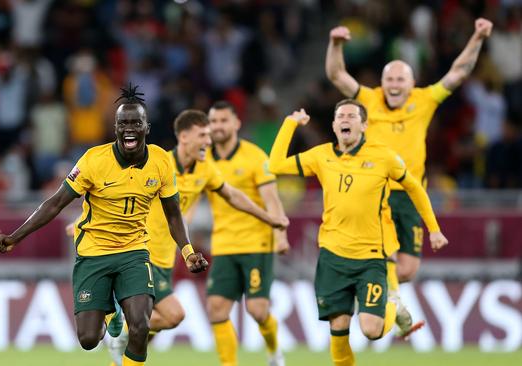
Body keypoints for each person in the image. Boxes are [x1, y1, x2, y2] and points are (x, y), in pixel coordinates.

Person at [0, 84, 208, 366]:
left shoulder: (161, 162)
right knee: (88, 339)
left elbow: (174, 214)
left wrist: (188, 251)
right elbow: (55, 203)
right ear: (115, 127)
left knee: (141, 326)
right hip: (94, 254)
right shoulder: (93, 160)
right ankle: (112, 313)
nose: (129, 129)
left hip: (135, 252)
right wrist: (15, 237)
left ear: (147, 127)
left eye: (136, 123)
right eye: (122, 123)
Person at [325, 17, 492, 336]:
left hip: (412, 194)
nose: (395, 85)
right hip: (375, 192)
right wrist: (335, 44)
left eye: (401, 79)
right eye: (390, 79)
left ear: (411, 82)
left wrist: (478, 37)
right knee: (383, 251)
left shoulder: (424, 99)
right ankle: (386, 301)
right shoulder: (368, 99)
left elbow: (459, 72)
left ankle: (371, 286)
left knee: (408, 269)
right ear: (383, 82)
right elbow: (336, 74)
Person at [101, 109, 289, 366]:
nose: (209, 141)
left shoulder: (204, 168)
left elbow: (232, 195)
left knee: (148, 331)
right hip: (141, 254)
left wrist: (268, 218)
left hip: (166, 259)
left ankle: (121, 341)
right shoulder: (157, 162)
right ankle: (121, 334)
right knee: (172, 315)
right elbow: (120, 191)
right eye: (203, 135)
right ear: (184, 137)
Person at [268, 100, 448, 366]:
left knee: (372, 330)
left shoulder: (383, 156)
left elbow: (415, 188)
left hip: (370, 258)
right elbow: (275, 165)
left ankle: (393, 307)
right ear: (333, 125)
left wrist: (434, 229)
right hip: (332, 257)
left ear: (364, 125)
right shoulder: (321, 155)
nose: (345, 120)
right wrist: (290, 123)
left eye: (352, 116)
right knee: (338, 333)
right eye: (340, 116)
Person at [206, 101, 290, 366]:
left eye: (223, 121)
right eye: (214, 121)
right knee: (216, 309)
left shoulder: (255, 157)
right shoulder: (203, 158)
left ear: (236, 123)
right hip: (223, 244)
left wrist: (280, 235)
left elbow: (271, 199)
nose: (218, 126)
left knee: (257, 310)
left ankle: (274, 351)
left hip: (257, 242)